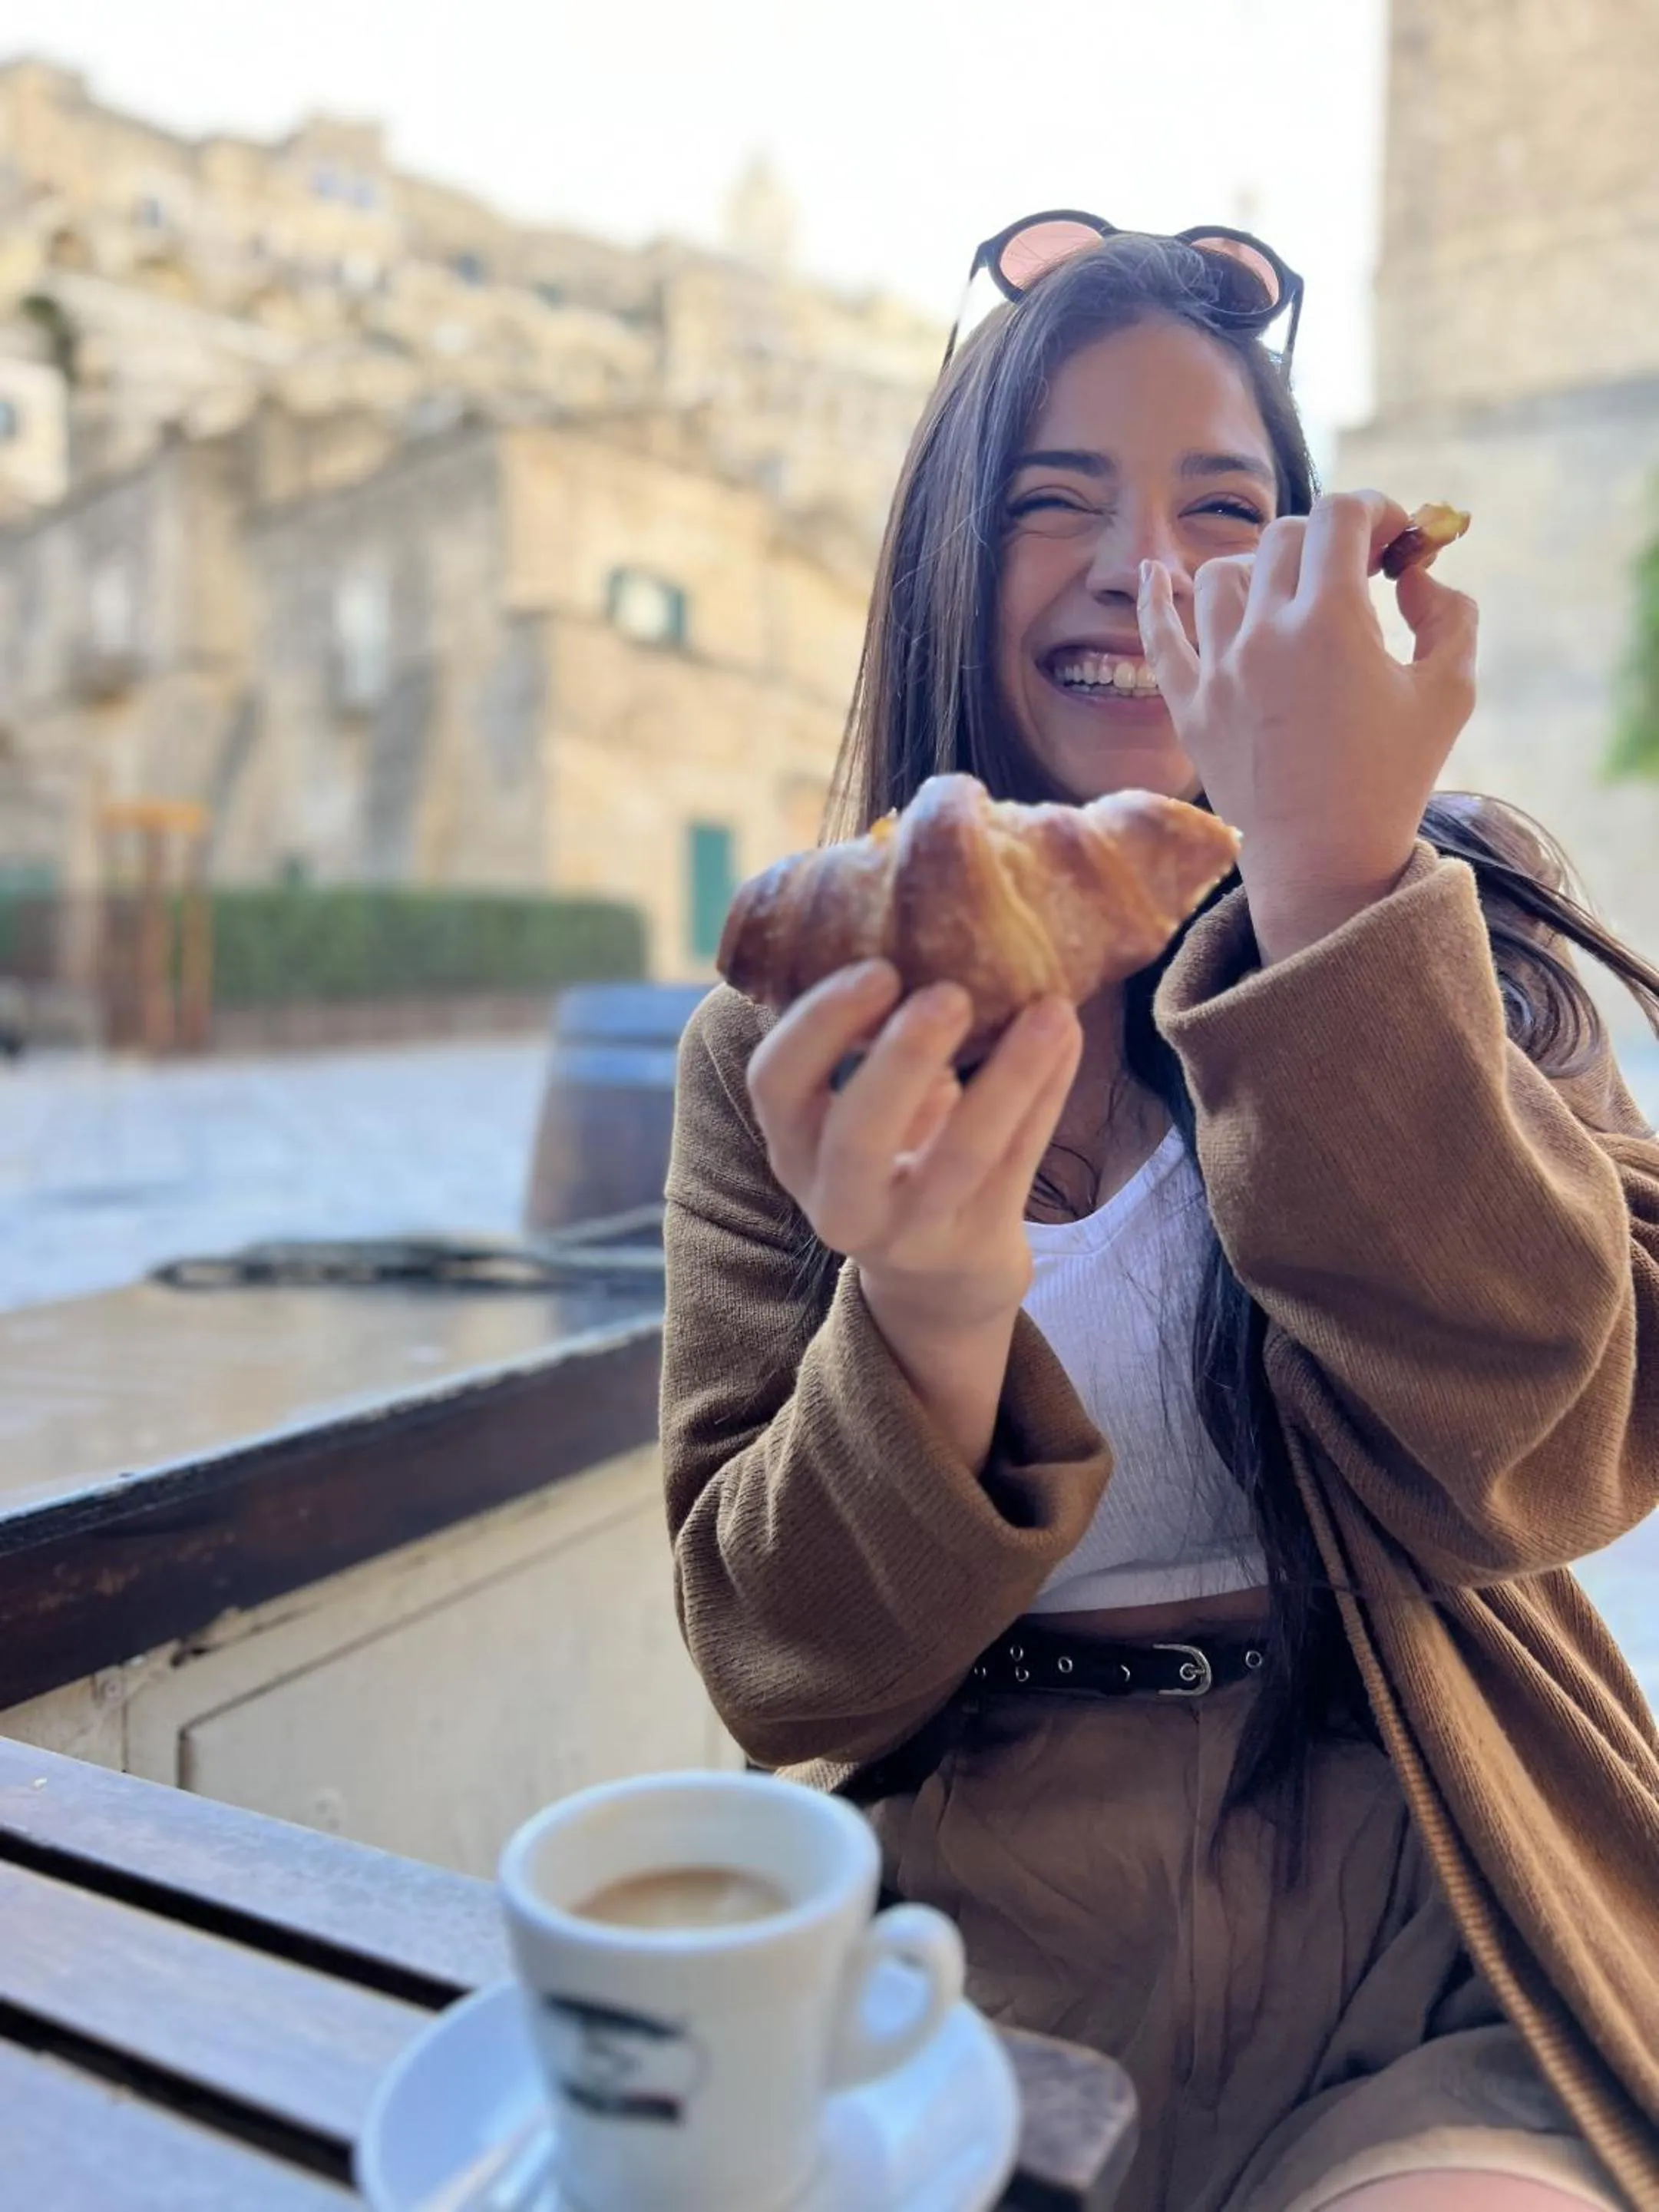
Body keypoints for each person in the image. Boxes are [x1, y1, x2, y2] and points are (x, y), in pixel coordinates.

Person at [660, 218, 1659, 2212]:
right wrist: (932, 1316)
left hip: (1440, 1865)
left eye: (1227, 505)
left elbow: (1566, 1453)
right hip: (984, 1925)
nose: (1146, 568)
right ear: (951, 553)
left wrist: (1335, 895)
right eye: (1058, 504)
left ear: (1311, 566)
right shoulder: (799, 1032)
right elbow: (781, 1669)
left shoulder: (1463, 913)